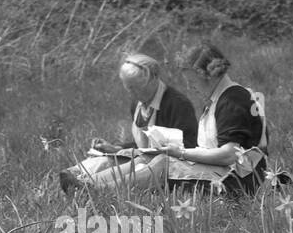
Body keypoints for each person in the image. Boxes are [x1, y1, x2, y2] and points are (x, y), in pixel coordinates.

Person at [61, 53, 199, 192]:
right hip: (143, 156)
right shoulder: (137, 104)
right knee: (106, 160)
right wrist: (115, 148)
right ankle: (74, 175)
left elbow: (188, 146)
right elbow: (142, 145)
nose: (132, 93)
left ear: (153, 79)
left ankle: (91, 187)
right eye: (128, 88)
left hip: (166, 162)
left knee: (137, 167)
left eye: (136, 88)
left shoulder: (178, 105)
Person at [161, 43, 269, 197]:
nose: (189, 86)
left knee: (160, 166)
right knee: (155, 161)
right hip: (225, 174)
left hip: (239, 182)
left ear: (203, 75)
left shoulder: (232, 101)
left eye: (191, 81)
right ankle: (114, 183)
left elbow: (229, 154)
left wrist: (181, 153)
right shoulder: (222, 98)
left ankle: (114, 189)